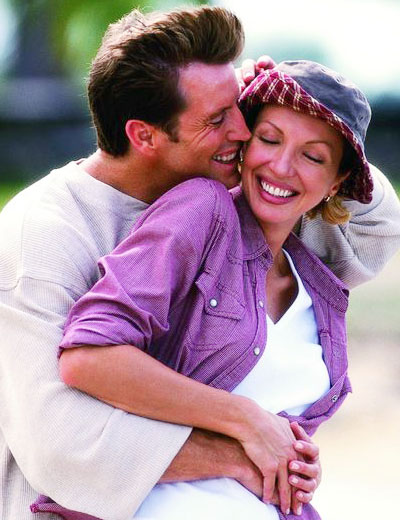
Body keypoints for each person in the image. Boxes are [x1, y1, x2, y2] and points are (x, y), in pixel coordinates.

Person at [0, 5, 399, 520]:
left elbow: (377, 227)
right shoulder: (43, 233)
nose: (243, 132)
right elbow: (62, 443)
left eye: (240, 108)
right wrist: (243, 444)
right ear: (144, 136)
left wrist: (300, 109)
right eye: (218, 119)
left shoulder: (244, 202)